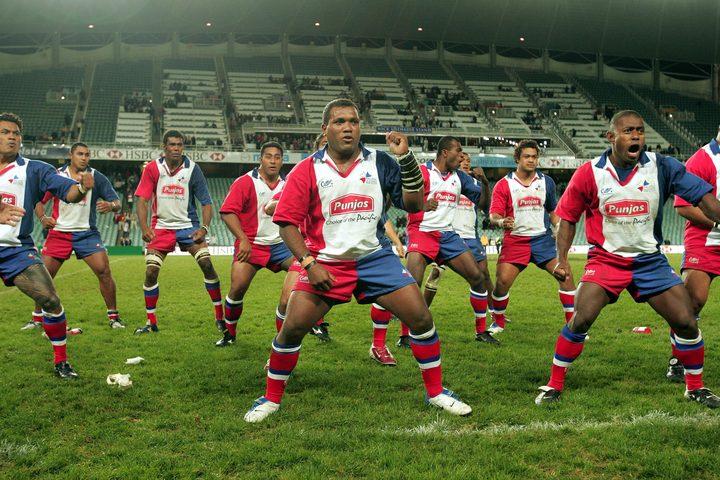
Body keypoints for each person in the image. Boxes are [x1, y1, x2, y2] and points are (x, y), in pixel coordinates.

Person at [243, 99, 472, 422]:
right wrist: (310, 264)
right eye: (339, 122)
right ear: (325, 129)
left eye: (353, 121)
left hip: (374, 258)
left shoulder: (380, 162)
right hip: (326, 262)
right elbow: (286, 222)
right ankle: (270, 398)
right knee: (292, 328)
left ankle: (436, 393)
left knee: (421, 318)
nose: (347, 127)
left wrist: (405, 158)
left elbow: (414, 204)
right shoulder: (307, 169)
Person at [535, 110, 720, 408]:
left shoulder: (663, 167)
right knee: (580, 318)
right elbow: (568, 218)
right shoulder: (589, 172)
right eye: (628, 131)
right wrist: (563, 259)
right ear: (611, 137)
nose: (636, 136)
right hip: (606, 260)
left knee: (686, 321)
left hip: (650, 262)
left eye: (640, 131)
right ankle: (554, 384)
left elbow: (702, 197)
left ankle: (694, 387)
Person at [0, 112, 94, 378]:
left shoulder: (34, 169)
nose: (11, 137)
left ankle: (61, 362)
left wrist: (83, 188)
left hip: (15, 250)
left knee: (50, 300)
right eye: (5, 132)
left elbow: (69, 192)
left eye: (16, 133)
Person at [133, 130, 223, 334]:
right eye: (172, 145)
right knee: (151, 272)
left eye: (179, 145)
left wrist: (204, 228)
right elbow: (142, 200)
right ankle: (151, 322)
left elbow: (207, 202)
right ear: (164, 147)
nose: (176, 148)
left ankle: (220, 317)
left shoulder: (193, 169)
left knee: (207, 265)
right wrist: (145, 227)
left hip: (188, 227)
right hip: (161, 228)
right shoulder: (153, 168)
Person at [27, 143, 124, 330]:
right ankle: (37, 319)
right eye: (80, 154)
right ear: (71, 155)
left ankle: (114, 317)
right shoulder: (55, 175)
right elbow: (37, 198)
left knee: (104, 272)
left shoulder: (97, 177)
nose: (84, 157)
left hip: (87, 233)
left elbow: (117, 202)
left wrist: (110, 206)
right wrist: (42, 217)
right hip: (59, 233)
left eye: (87, 154)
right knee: (43, 277)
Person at [487, 140, 576, 337]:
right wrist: (502, 222)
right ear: (517, 158)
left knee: (566, 276)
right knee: (502, 283)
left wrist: (559, 225)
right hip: (515, 241)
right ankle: (498, 322)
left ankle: (573, 326)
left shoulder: (547, 182)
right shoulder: (504, 185)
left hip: (542, 241)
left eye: (534, 157)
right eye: (526, 156)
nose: (531, 160)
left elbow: (553, 211)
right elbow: (493, 215)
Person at [403, 136, 487, 342]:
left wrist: (484, 183)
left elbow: (483, 203)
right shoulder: (422, 171)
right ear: (444, 153)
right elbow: (402, 198)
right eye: (458, 151)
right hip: (422, 231)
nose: (461, 156)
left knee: (478, 277)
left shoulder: (461, 177)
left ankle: (481, 331)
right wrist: (422, 205)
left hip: (448, 235)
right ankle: (405, 335)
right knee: (412, 285)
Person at [214, 142, 293, 347]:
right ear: (261, 159)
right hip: (253, 245)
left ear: (282, 160)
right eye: (269, 156)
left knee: (301, 279)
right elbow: (227, 212)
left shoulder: (289, 184)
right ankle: (230, 333)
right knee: (238, 287)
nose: (273, 161)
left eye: (277, 157)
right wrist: (243, 239)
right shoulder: (245, 182)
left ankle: (283, 340)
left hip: (282, 246)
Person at [419, 152, 497, 344]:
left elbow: (485, 206)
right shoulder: (442, 177)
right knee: (433, 276)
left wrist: (485, 183)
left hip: (468, 236)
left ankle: (494, 314)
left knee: (482, 275)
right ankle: (419, 313)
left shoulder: (470, 184)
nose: (464, 163)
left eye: (467, 161)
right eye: (461, 160)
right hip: (444, 234)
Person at [666, 131, 720, 381]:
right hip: (705, 242)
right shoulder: (702, 159)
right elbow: (684, 206)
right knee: (693, 301)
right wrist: (717, 224)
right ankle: (678, 357)